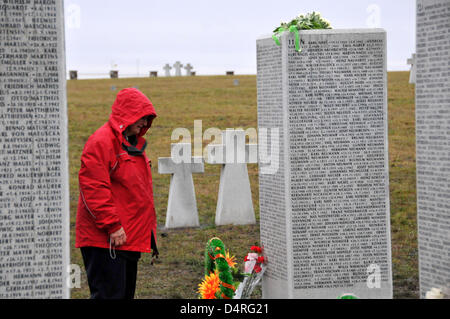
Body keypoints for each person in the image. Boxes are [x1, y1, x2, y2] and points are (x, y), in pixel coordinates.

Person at [75, 88, 158, 299]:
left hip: (128, 237)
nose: (145, 122)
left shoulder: (131, 143)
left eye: (148, 117)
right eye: (141, 116)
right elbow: (94, 188)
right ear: (127, 115)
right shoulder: (102, 142)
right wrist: (113, 226)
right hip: (107, 239)